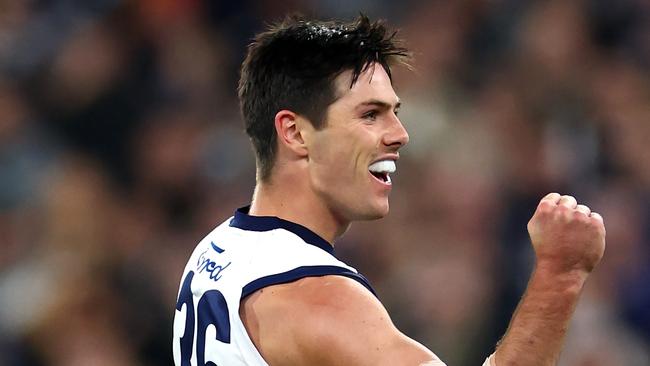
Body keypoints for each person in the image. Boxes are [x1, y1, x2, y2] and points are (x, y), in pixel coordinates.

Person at [172, 14, 606, 366]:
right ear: (295, 133)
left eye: (394, 112)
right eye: (370, 115)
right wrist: (560, 273)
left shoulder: (214, 251)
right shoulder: (318, 297)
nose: (400, 134)